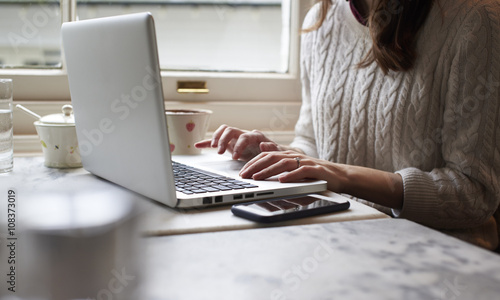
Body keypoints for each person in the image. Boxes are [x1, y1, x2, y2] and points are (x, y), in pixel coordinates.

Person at [195, 0, 500, 251]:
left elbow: (473, 194)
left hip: (440, 257)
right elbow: (313, 143)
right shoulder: (321, 19)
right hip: (342, 242)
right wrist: (272, 154)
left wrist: (344, 175)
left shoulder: (476, 20)